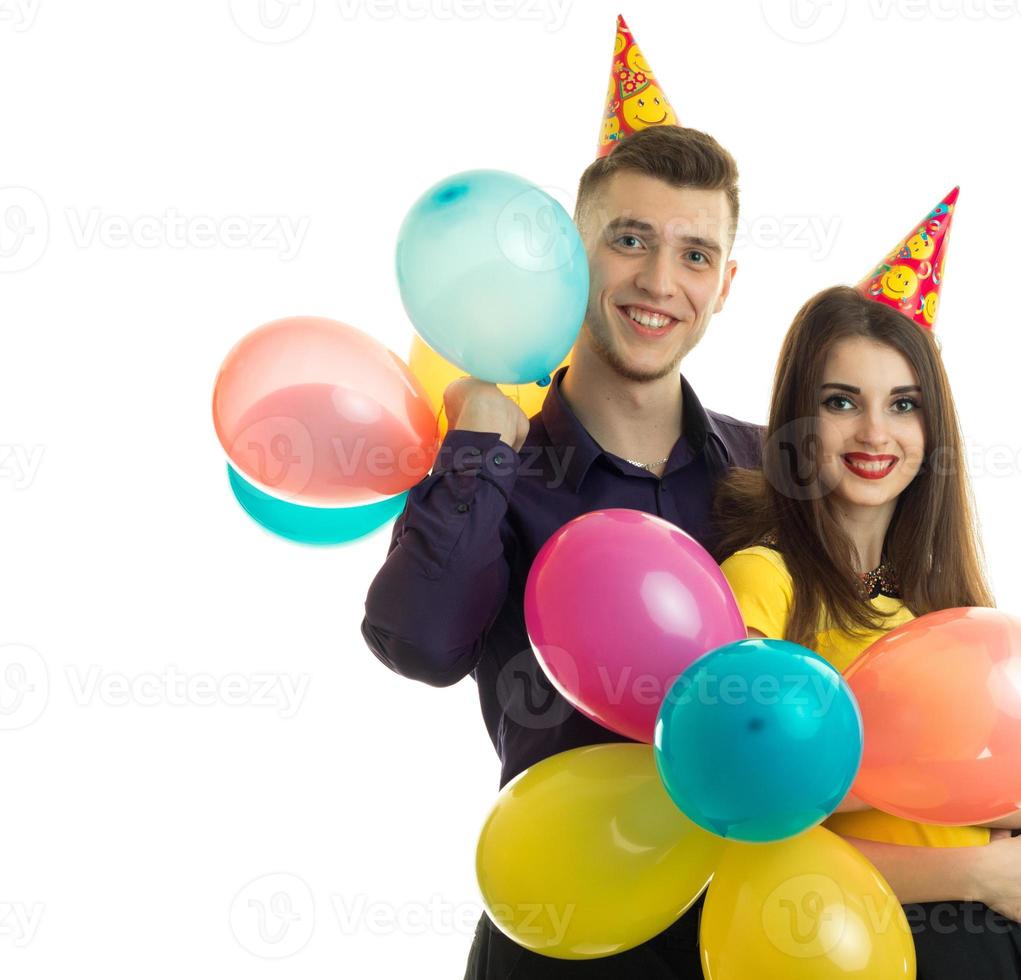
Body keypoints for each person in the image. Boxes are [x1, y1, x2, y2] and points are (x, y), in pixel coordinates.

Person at [362, 20, 760, 975]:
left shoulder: (766, 471)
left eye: (696, 255)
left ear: (727, 283)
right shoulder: (493, 468)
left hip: (750, 939)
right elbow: (417, 644)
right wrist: (477, 448)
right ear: (572, 254)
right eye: (630, 240)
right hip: (558, 936)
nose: (661, 282)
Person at [713, 199, 1021, 978]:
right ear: (798, 420)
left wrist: (1007, 832)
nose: (874, 434)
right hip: (891, 946)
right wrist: (971, 869)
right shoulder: (762, 583)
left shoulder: (929, 607)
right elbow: (756, 820)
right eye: (840, 402)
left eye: (902, 405)